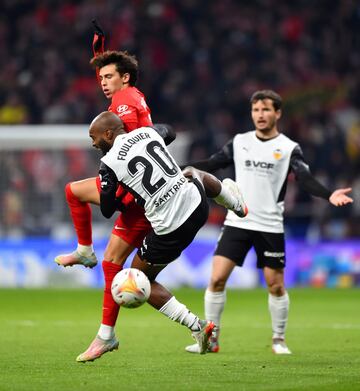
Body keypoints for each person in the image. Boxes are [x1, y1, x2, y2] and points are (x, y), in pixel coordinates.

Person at [182, 90, 353, 355]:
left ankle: (278, 339)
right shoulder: (239, 142)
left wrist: (329, 194)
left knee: (275, 285)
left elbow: (304, 178)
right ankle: (211, 339)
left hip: (269, 226)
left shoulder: (287, 148)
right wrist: (183, 168)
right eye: (256, 110)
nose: (260, 115)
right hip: (237, 221)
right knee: (216, 279)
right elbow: (213, 163)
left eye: (265, 110)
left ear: (277, 113)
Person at [76, 111, 247, 362]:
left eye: (95, 137)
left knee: (139, 279)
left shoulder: (109, 162)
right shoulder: (147, 133)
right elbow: (170, 131)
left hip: (170, 228)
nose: (93, 143)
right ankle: (235, 203)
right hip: (198, 206)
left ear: (109, 134)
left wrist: (121, 189)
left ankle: (197, 326)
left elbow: (106, 209)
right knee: (191, 173)